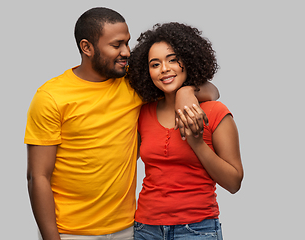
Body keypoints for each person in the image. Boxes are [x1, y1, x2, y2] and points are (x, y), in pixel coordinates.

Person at [24, 7, 219, 240]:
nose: (127, 52)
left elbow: (211, 90)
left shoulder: (133, 83)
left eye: (127, 43)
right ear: (87, 47)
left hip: (129, 228)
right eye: (116, 45)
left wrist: (187, 91)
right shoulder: (51, 97)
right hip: (70, 232)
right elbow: (38, 176)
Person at [128, 22, 244, 240]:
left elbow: (234, 182)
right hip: (145, 228)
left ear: (189, 60)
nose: (164, 69)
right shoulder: (142, 113)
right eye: (155, 64)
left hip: (197, 229)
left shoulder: (216, 112)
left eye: (172, 59)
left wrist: (197, 143)